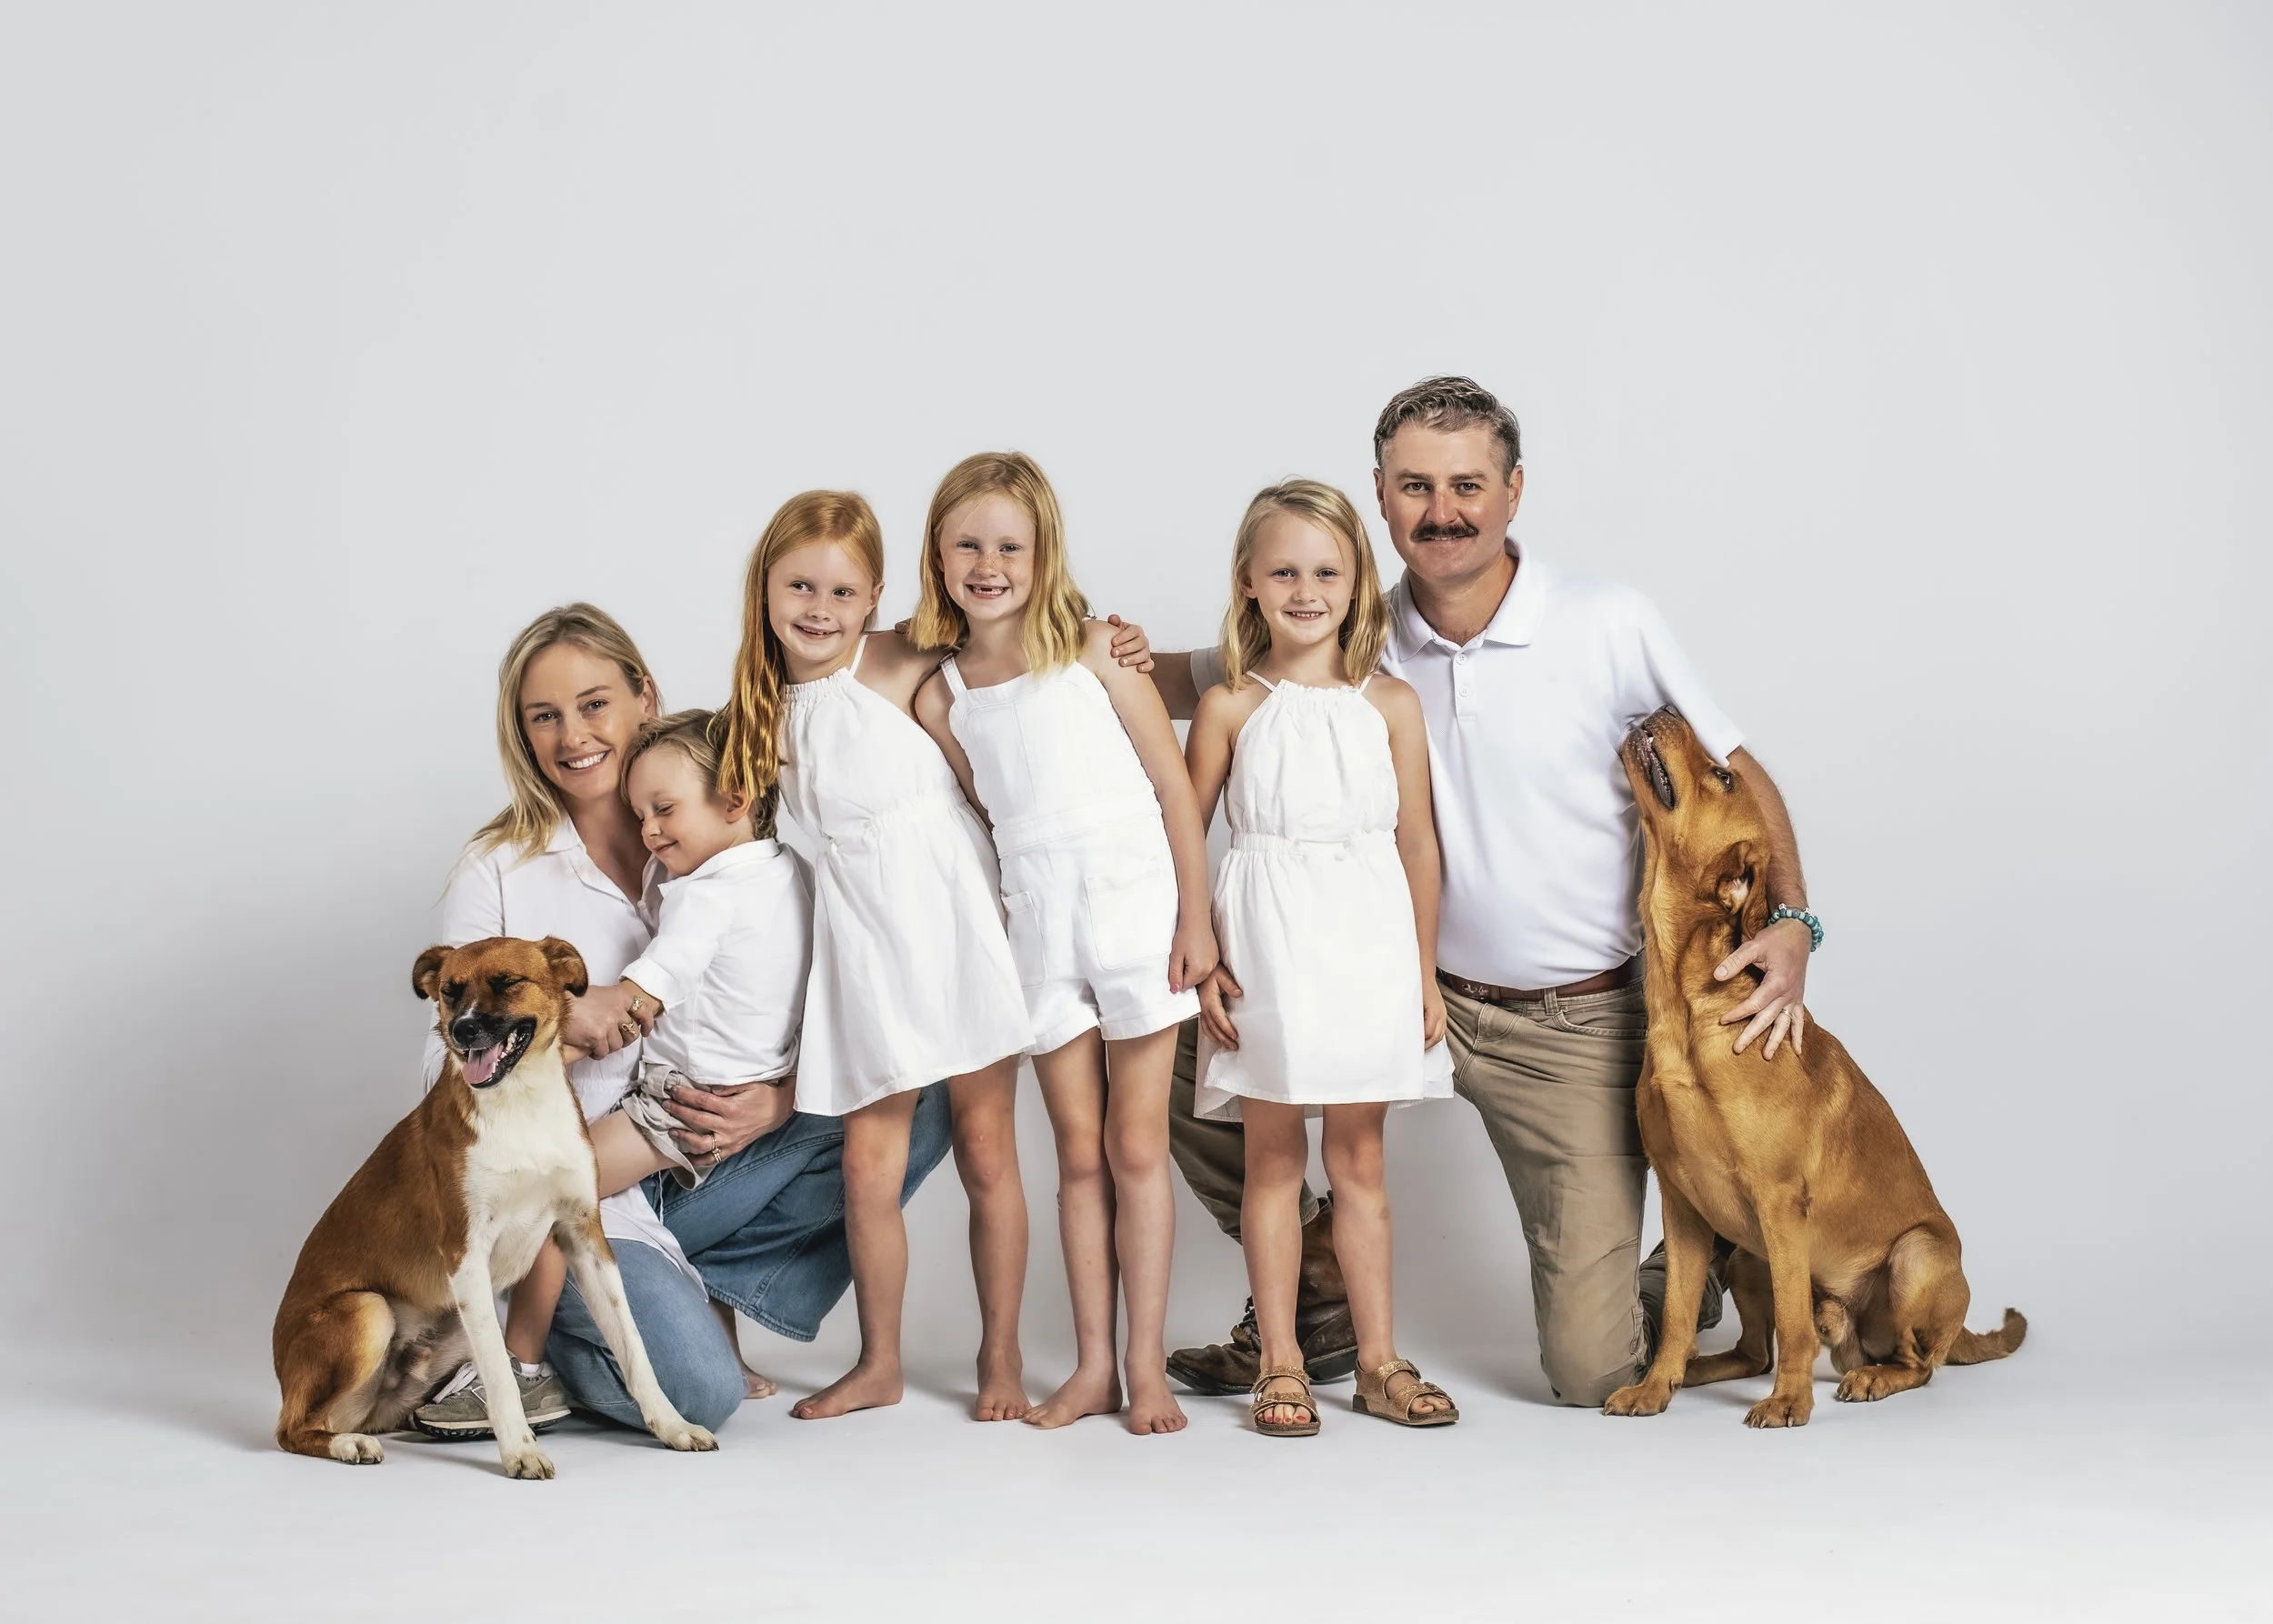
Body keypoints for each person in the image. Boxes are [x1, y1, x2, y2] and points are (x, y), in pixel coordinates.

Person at [1152, 377, 1818, 1408]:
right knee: (1156, 1035)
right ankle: (1309, 1289)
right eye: (1416, 485)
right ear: (1380, 495)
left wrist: (1790, 917)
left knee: (1592, 1369)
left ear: (1513, 491)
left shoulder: (1604, 620)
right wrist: (1027, 639)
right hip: (1389, 979)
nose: (1443, 510)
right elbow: (1200, 676)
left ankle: (1696, 1271)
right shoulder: (1345, 625)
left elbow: (1735, 767)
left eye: (1467, 484)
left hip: (1572, 1020)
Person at [412, 603, 951, 1441]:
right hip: (580, 1177)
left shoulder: (712, 827)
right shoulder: (500, 870)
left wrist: (776, 1100)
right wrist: (557, 1033)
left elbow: (802, 995)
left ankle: (703, 1289)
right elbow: (445, 1070)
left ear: (643, 696)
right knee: (702, 1395)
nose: (572, 735)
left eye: (594, 704)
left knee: (916, 1098)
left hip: (689, 1154)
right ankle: (533, 1343)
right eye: (543, 716)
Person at [908, 452, 1215, 1435]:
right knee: (1077, 1154)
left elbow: (1173, 788)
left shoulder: (1093, 650)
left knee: (1136, 1145)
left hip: (1132, 909)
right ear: (938, 554)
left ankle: (1145, 1367)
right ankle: (1091, 1367)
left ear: (1043, 555)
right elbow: (984, 815)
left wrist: (1196, 919)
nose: (988, 563)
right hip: (1036, 925)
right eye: (967, 543)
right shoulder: (941, 694)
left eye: (1009, 545)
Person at [716, 490, 1028, 1422]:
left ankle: (1001, 1358)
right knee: (867, 1167)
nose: (819, 608)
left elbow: (1004, 667)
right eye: (799, 586)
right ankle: (880, 1360)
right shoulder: (757, 709)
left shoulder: (895, 658)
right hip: (862, 950)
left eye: (841, 592)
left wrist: (1114, 641)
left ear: (876, 596)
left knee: (984, 1150)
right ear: (763, 589)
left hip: (956, 925)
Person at [1184, 479, 1456, 1436]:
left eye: (1326, 570)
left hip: (1367, 942)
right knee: (1270, 1159)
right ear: (1249, 584)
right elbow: (1185, 833)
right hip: (1268, 942)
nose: (1306, 589)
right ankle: (1284, 1359)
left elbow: (1417, 843)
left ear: (1358, 582)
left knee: (1359, 1158)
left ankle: (1377, 1359)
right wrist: (1202, 945)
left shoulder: (1391, 703)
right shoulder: (1228, 705)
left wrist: (1422, 972)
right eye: (1284, 570)